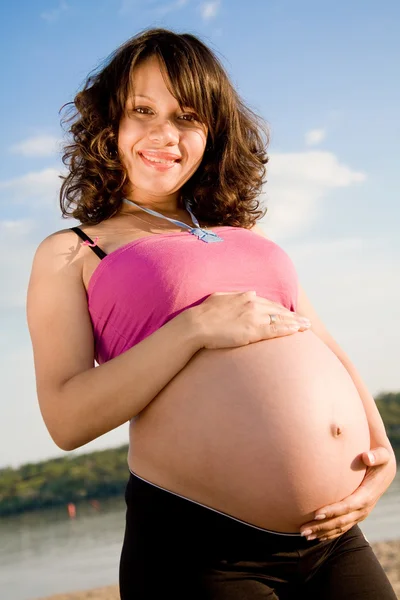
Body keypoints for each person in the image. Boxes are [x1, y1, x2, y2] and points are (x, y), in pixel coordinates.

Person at [26, 27, 397, 599]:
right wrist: (194, 329)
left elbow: (322, 342)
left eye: (186, 117)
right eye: (141, 111)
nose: (162, 135)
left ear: (213, 132)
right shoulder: (74, 251)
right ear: (109, 124)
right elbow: (65, 419)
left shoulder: (246, 236)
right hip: (200, 549)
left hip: (331, 535)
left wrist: (381, 456)